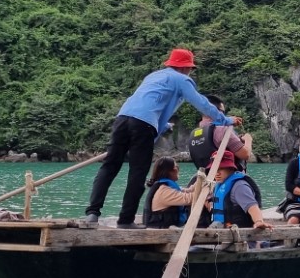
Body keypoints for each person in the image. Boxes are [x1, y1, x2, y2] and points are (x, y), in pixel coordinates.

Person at [85, 48, 241, 227]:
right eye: (190, 68)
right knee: (137, 171)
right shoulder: (182, 79)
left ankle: (92, 214)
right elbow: (202, 104)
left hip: (122, 119)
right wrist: (225, 119)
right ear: (184, 68)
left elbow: (151, 105)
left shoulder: (153, 76)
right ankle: (125, 220)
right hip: (143, 125)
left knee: (110, 166)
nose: (190, 71)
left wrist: (163, 127)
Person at [207, 150, 270, 230]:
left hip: (240, 236)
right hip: (221, 232)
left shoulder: (239, 187)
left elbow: (252, 207)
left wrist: (258, 221)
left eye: (221, 168)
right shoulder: (218, 185)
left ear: (231, 168)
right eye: (215, 169)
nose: (217, 173)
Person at [188, 94, 252, 171]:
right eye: (222, 111)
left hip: (207, 178)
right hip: (228, 178)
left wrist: (229, 121)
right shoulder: (222, 131)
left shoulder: (194, 134)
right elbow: (245, 154)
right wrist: (248, 139)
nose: (223, 115)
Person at [141, 156, 197, 228]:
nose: (177, 169)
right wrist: (207, 192)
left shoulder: (165, 186)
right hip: (159, 232)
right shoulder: (164, 191)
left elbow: (188, 191)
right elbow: (189, 198)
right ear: (169, 171)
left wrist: (201, 181)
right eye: (176, 167)